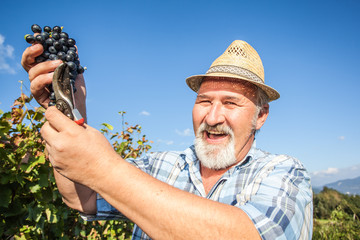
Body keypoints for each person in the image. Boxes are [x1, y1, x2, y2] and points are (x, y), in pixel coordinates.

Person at [21, 40, 313, 239]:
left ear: (261, 116)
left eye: (231, 103)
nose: (212, 117)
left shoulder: (284, 172)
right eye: (204, 101)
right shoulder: (159, 164)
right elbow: (81, 197)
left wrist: (105, 169)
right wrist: (69, 106)